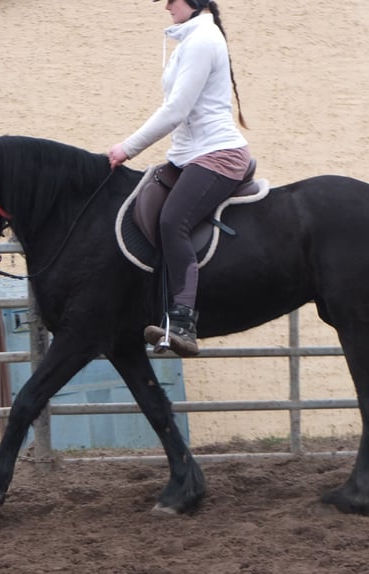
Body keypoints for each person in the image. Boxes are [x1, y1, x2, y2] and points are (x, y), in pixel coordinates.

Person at [108, 0, 251, 357]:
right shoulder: (189, 41)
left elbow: (176, 110)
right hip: (189, 155)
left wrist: (128, 148)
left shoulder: (203, 39)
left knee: (174, 221)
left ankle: (184, 321)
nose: (167, 6)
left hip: (219, 154)